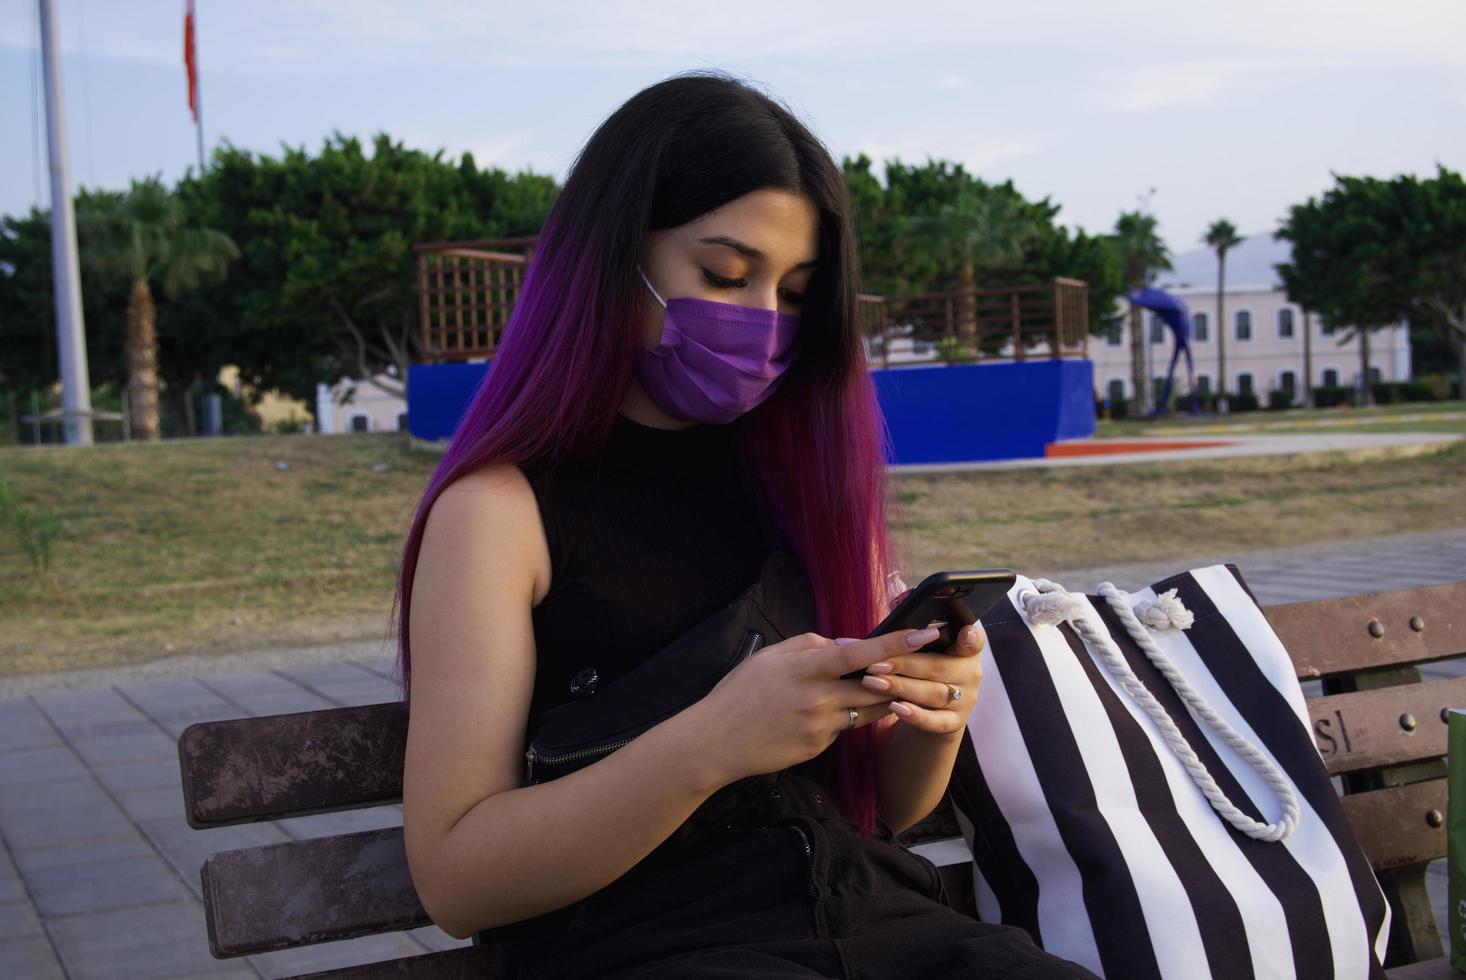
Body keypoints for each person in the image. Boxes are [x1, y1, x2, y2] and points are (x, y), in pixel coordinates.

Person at [395, 70, 1097, 979]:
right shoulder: (498, 511)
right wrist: (712, 741)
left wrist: (936, 717)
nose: (764, 321)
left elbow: (879, 809)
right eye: (725, 275)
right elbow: (456, 881)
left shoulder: (804, 488)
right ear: (613, 257)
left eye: (797, 292)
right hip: (660, 948)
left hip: (886, 924)